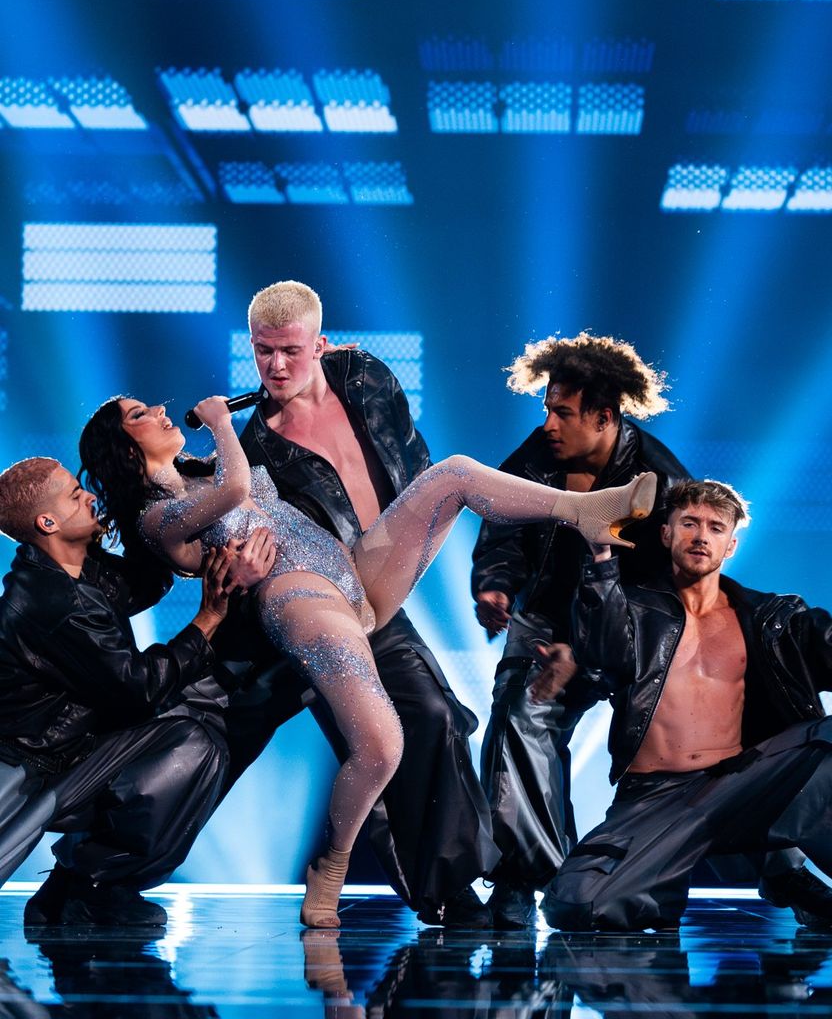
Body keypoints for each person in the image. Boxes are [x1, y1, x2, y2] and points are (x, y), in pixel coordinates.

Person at [78, 390, 657, 928]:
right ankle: (331, 866)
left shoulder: (206, 468)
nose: (158, 409)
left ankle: (583, 509)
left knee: (452, 474)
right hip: (296, 595)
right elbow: (233, 495)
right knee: (382, 743)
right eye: (138, 415)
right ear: (125, 451)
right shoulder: (157, 517)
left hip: (354, 575)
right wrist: (224, 425)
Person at [227, 280, 497, 928]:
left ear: (319, 345)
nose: (277, 367)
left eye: (291, 350)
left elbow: (410, 456)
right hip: (312, 618)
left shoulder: (364, 373)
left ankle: (452, 888)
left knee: (432, 714)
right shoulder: (254, 447)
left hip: (379, 596)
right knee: (357, 744)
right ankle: (96, 873)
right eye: (264, 352)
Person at [543, 479, 832, 932]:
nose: (701, 536)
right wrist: (600, 558)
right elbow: (603, 650)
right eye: (690, 523)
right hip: (653, 797)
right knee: (578, 906)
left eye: (715, 528)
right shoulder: (632, 607)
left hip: (740, 785)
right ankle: (662, 882)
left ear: (730, 545)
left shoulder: (772, 618)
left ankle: (784, 871)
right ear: (666, 534)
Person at [471, 331, 689, 927]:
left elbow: (663, 596)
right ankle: (524, 877)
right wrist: (496, 583)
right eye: (546, 408)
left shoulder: (660, 483)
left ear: (604, 418)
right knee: (518, 716)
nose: (549, 423)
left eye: (562, 412)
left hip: (632, 632)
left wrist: (586, 650)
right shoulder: (541, 455)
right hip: (542, 615)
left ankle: (783, 869)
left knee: (696, 744)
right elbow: (503, 518)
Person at [0, 456, 254, 926]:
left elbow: (146, 580)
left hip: (73, 750)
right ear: (47, 521)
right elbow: (138, 687)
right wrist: (210, 616)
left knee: (203, 706)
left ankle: (73, 883)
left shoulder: (77, 569)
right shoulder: (53, 601)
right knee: (194, 743)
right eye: (75, 495)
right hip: (44, 769)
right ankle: (93, 888)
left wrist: (143, 488)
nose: (88, 496)